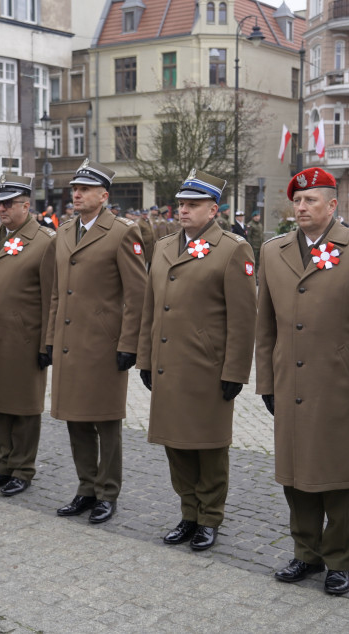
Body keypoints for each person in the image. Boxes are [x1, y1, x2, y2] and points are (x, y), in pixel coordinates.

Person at [255, 166, 349, 596]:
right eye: (297, 200)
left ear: (333, 205)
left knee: (341, 479)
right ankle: (305, 552)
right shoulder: (273, 251)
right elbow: (266, 327)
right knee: (296, 475)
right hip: (290, 384)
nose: (301, 207)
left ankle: (339, 560)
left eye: (310, 200)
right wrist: (266, 382)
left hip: (340, 386)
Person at [138, 170, 256, 551]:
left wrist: (236, 370)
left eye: (192, 204)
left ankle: (210, 517)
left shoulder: (232, 248)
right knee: (176, 443)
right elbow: (150, 307)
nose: (183, 210)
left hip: (207, 368)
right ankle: (188, 513)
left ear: (213, 209)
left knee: (208, 446)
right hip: (169, 364)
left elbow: (243, 316)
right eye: (182, 203)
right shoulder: (165, 245)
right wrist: (144, 358)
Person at [47, 159, 146, 524]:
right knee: (75, 419)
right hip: (70, 340)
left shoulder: (122, 232)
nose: (77, 194)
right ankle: (85, 488)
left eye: (85, 189)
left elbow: (137, 294)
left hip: (104, 343)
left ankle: (107, 492)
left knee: (105, 422)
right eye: (75, 188)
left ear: (103, 196)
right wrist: (49, 338)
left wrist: (128, 344)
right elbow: (58, 291)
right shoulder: (64, 230)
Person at [0, 176, 56, 497]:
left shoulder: (44, 241)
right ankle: (3, 464)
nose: (0, 209)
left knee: (23, 406)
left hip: (24, 338)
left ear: (26, 206)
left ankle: (23, 468)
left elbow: (52, 295)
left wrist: (48, 341)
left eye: (8, 204)